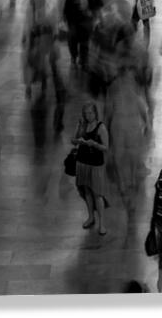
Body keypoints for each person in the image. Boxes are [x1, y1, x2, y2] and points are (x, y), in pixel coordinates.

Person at [71, 100, 110, 235]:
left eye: (91, 113)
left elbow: (106, 147)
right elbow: (73, 140)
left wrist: (94, 144)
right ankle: (91, 217)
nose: (88, 116)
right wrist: (79, 139)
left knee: (97, 194)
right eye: (86, 113)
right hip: (82, 161)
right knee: (87, 191)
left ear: (95, 113)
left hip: (95, 164)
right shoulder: (82, 124)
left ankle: (102, 223)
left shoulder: (101, 127)